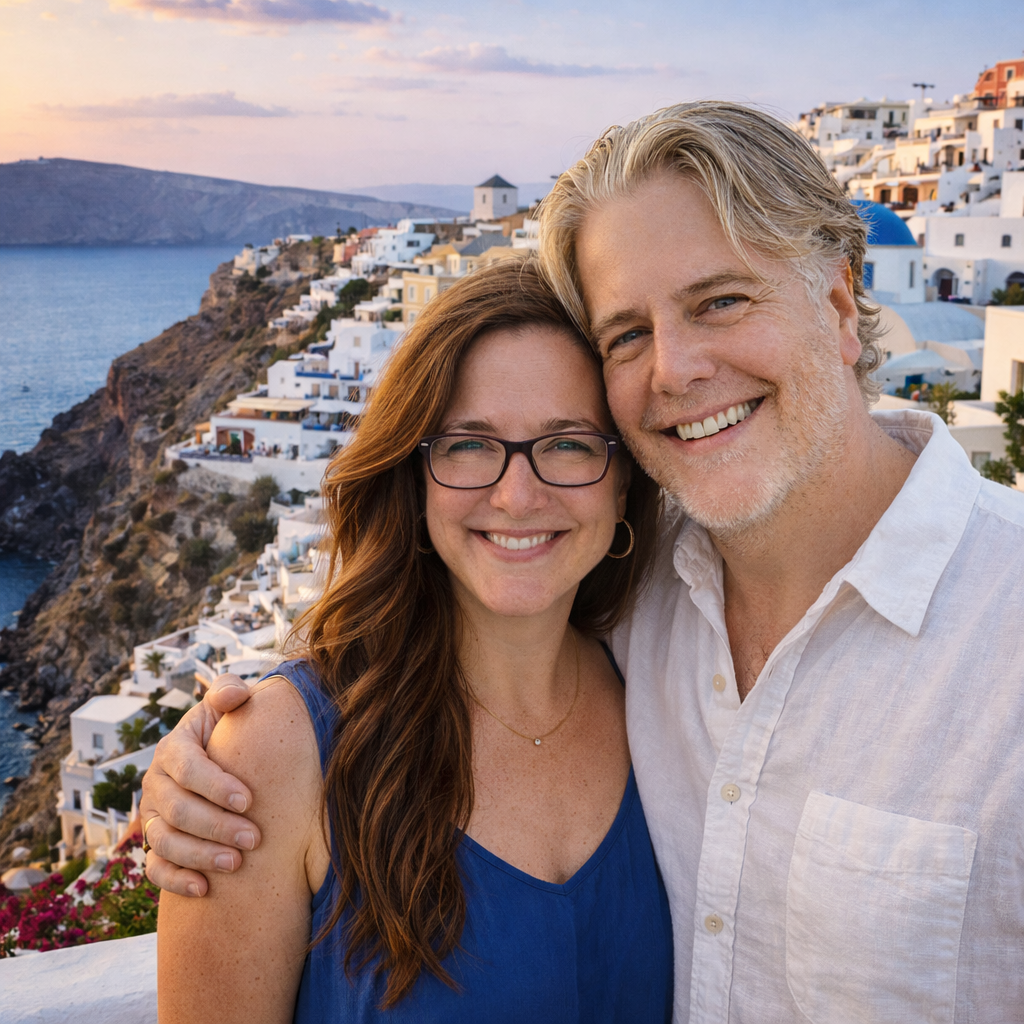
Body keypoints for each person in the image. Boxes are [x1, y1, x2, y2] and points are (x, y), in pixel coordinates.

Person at [146, 103, 1024, 1023]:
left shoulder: (993, 634)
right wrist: (223, 749)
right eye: (627, 336)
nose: (676, 370)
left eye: (720, 300)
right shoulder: (642, 605)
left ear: (841, 306)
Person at [156, 258, 673, 1023]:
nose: (518, 495)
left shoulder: (665, 683)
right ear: (413, 475)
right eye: (469, 444)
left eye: (567, 443)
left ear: (623, 477)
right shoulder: (274, 754)